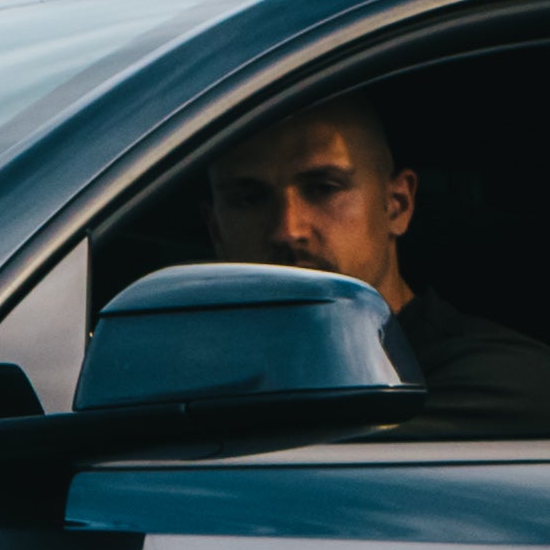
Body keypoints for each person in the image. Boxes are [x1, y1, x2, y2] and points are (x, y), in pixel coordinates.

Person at [203, 99, 550, 440]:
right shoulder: (198, 378)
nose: (288, 230)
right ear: (215, 228)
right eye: (249, 199)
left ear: (397, 206)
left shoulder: (499, 380)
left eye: (324, 188)